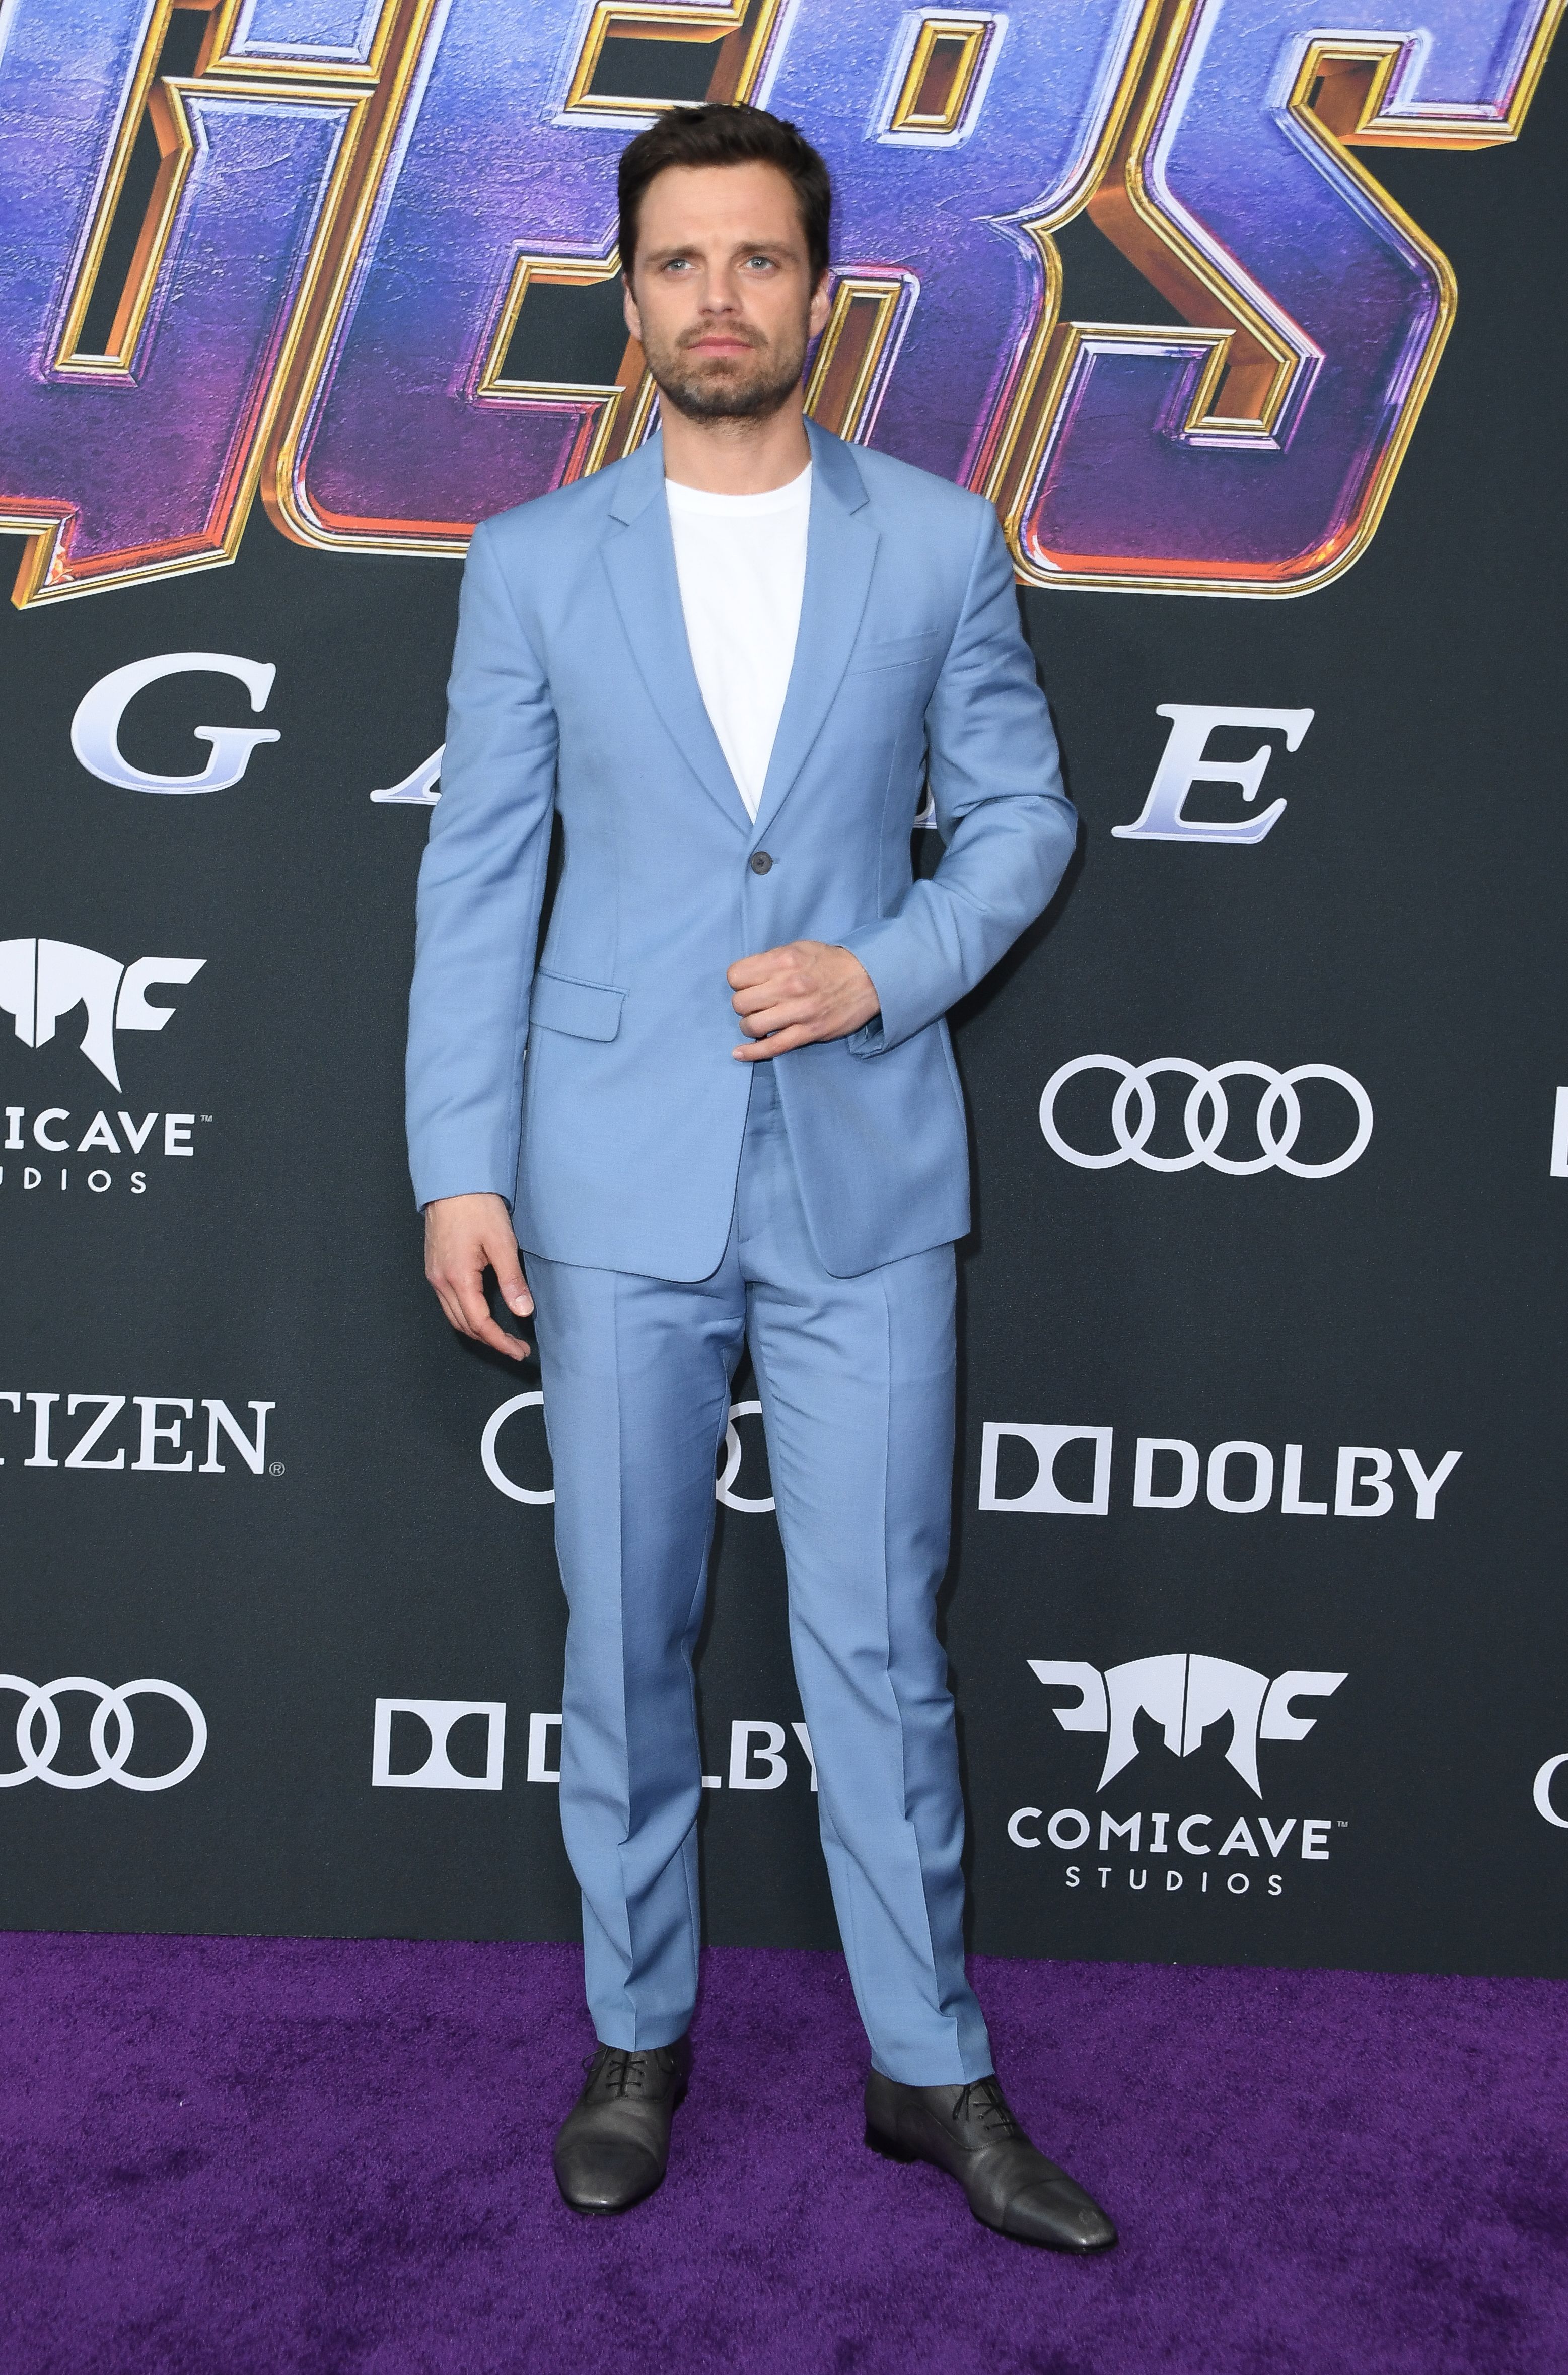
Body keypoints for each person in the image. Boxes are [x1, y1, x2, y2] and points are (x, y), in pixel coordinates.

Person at [406, 101, 1112, 2253]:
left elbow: (1021, 816)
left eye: (757, 259)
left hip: (862, 1173)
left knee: (880, 1641)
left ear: (819, 288)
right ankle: (636, 2039)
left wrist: (883, 967)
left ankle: (931, 2067)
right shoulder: (534, 563)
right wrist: (457, 1164)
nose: (717, 298)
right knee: (622, 1634)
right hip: (607, 1171)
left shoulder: (936, 541)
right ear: (630, 297)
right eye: (677, 262)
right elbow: (478, 878)